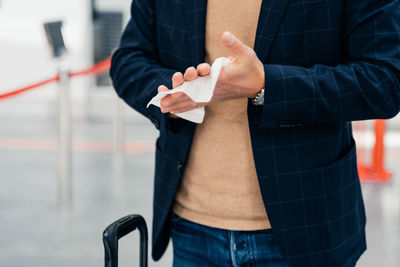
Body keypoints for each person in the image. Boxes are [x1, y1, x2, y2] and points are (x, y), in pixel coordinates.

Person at [110, 0, 400, 266]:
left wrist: (267, 86)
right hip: (191, 226)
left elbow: (385, 80)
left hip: (306, 225)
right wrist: (171, 96)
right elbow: (129, 58)